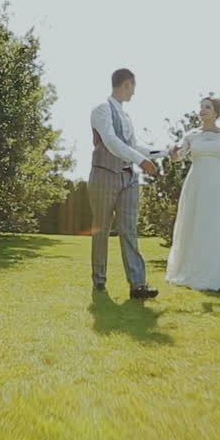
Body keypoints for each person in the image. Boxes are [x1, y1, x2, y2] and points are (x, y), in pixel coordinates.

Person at [164, 96, 220, 291]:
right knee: (196, 223)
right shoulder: (191, 136)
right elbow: (178, 157)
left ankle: (219, 271)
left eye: (207, 107)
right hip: (196, 184)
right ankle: (193, 269)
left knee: (217, 224)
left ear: (217, 112)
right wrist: (172, 149)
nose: (202, 110)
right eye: (201, 107)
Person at [88, 68, 161, 299]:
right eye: (134, 87)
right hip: (104, 175)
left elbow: (135, 146)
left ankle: (138, 285)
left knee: (129, 230)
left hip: (128, 178)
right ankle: (99, 281)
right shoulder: (101, 110)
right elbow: (111, 141)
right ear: (127, 84)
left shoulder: (126, 116)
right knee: (101, 230)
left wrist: (167, 152)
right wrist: (142, 161)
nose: (134, 92)